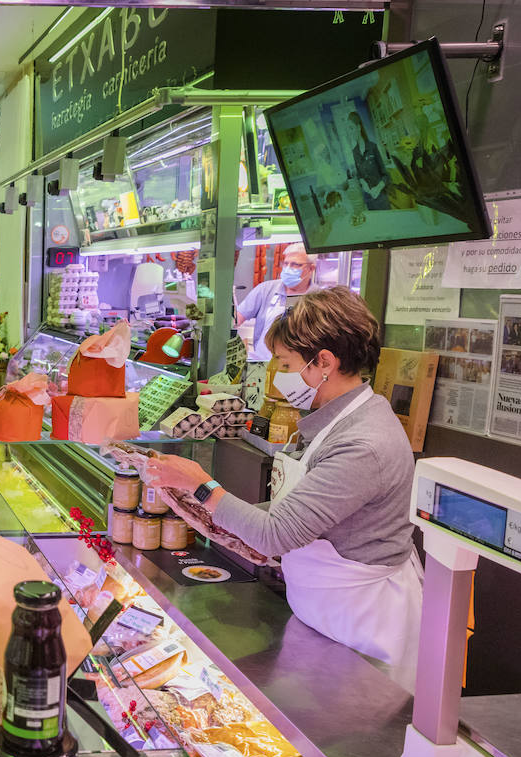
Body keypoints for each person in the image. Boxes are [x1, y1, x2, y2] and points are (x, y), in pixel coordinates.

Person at [143, 287, 423, 676]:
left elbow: (275, 534)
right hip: (323, 613)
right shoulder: (337, 420)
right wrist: (207, 514)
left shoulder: (363, 444)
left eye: (285, 363)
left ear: (323, 361)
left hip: (361, 627)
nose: (276, 374)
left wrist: (201, 487)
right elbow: (301, 512)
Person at [235, 244, 316, 407]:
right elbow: (237, 318)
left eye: (296, 265)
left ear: (311, 268)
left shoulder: (318, 297)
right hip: (261, 368)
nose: (288, 268)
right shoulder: (266, 289)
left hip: (299, 373)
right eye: (286, 263)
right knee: (256, 411)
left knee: (287, 414)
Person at [347, 111, 390, 211]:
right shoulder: (354, 152)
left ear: (358, 127)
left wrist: (378, 188)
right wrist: (363, 183)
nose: (350, 132)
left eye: (351, 128)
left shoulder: (372, 147)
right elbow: (359, 175)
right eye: (348, 130)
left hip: (381, 197)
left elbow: (386, 175)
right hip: (368, 199)